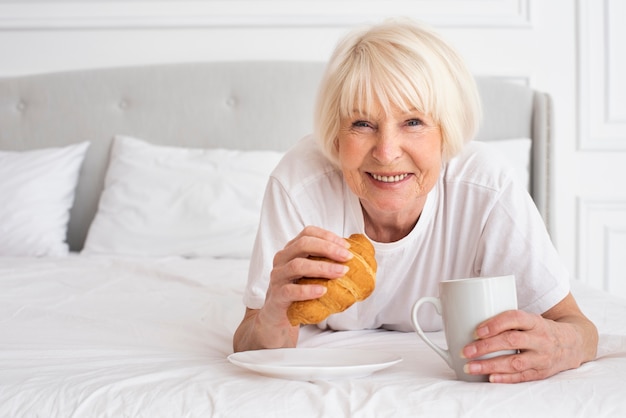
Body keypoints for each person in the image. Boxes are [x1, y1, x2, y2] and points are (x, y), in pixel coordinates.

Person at [233, 19, 598, 383]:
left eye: (413, 122)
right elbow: (253, 342)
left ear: (447, 130)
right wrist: (271, 316)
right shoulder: (299, 184)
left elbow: (576, 326)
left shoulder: (486, 187)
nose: (387, 152)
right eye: (362, 123)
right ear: (334, 133)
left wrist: (562, 344)